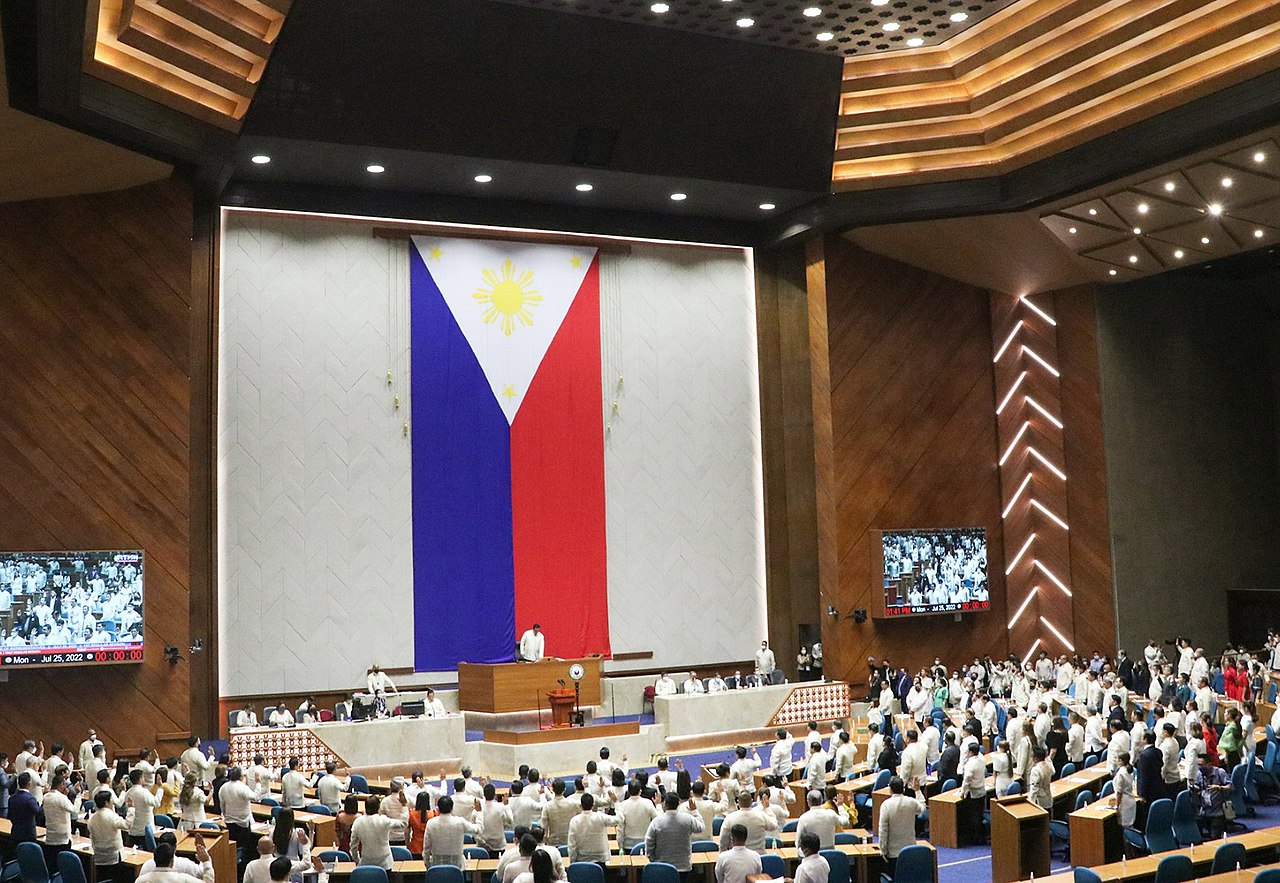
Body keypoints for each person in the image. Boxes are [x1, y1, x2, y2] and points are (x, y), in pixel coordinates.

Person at [878, 777, 925, 879]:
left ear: (890, 789)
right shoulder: (911, 802)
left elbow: (883, 830)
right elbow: (922, 808)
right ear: (903, 789)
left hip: (893, 853)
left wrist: (883, 850)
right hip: (910, 850)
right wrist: (917, 790)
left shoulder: (886, 805)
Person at [646, 792, 705, 872]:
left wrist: (653, 860)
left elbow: (649, 842)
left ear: (665, 804)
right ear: (678, 804)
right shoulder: (688, 819)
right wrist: (695, 811)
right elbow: (701, 828)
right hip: (684, 867)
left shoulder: (656, 822)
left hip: (661, 867)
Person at [424, 794, 482, 867]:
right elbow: (478, 829)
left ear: (438, 808)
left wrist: (428, 864)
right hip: (458, 867)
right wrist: (479, 812)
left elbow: (426, 848)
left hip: (436, 867)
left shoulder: (431, 823)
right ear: (452, 808)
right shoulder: (459, 822)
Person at [353, 794, 409, 869]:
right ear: (378, 807)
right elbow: (403, 824)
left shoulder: (358, 822)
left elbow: (353, 846)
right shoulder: (383, 820)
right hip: (385, 863)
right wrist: (404, 806)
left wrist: (357, 860)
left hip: (366, 863)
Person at [87, 790, 131, 882]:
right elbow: (127, 825)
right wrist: (131, 809)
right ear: (106, 803)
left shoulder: (92, 818)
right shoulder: (111, 815)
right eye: (111, 800)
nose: (112, 803)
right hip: (113, 857)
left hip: (99, 856)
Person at [1189, 752, 1234, 839]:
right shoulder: (1199, 774)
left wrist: (1219, 788)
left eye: (1201, 765)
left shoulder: (1220, 772)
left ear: (1209, 764)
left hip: (1218, 813)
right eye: (1198, 765)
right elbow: (1199, 788)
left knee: (1215, 838)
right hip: (1204, 811)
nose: (1200, 767)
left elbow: (1231, 787)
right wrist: (1194, 789)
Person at [41, 773, 77, 871]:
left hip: (50, 836)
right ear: (61, 785)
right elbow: (74, 810)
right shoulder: (62, 798)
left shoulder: (46, 796)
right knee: (63, 867)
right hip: (63, 838)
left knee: (53, 866)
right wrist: (78, 796)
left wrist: (64, 796)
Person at [566, 792, 616, 863]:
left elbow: (572, 846)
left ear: (581, 806)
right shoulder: (600, 817)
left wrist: (572, 862)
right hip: (602, 860)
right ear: (593, 806)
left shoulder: (574, 821)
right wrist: (616, 802)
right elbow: (619, 819)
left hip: (581, 861)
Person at [133, 841, 215, 883]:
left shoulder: (140, 880)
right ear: (172, 861)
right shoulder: (183, 879)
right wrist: (206, 862)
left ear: (155, 860)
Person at [616, 781, 659, 851]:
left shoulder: (622, 805)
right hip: (646, 842)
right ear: (640, 791)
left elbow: (620, 828)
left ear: (628, 791)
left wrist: (620, 845)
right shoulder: (648, 803)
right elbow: (658, 819)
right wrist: (658, 805)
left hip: (628, 845)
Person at [960, 743, 987, 845]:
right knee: (980, 814)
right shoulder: (982, 760)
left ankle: (975, 838)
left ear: (970, 752)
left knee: (974, 816)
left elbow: (967, 781)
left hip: (973, 792)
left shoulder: (970, 764)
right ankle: (982, 836)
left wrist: (962, 792)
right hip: (982, 790)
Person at [539, 778, 580, 847]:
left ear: (552, 790)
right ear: (564, 790)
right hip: (570, 841)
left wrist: (545, 842)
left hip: (553, 843)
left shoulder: (547, 806)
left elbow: (543, 826)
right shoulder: (574, 804)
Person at [1113, 752, 1137, 830]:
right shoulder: (1129, 770)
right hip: (1131, 800)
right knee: (1130, 826)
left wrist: (1116, 806)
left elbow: (1119, 792)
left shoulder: (1120, 773)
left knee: (1126, 828)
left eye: (1117, 759)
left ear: (1121, 761)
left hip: (1124, 803)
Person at [1028, 747, 1054, 811]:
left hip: (1039, 801)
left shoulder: (1036, 770)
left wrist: (1031, 803)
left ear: (1036, 758)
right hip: (1048, 797)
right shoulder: (1048, 765)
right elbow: (1053, 771)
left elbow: (1034, 788)